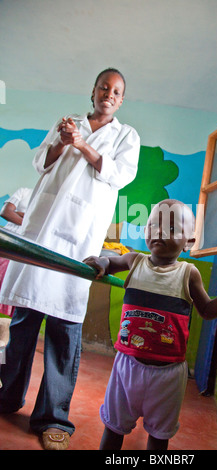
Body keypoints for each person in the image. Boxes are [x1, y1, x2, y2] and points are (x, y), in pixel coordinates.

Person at [0, 68, 140, 450]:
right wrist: (63, 142)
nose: (108, 94)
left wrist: (81, 145)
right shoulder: (68, 123)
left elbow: (119, 175)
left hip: (79, 239)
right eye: (103, 87)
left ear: (121, 100)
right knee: (25, 322)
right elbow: (41, 163)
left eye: (116, 91)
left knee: (64, 330)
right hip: (42, 231)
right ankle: (7, 398)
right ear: (92, 90)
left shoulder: (126, 136)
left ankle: (52, 418)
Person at [84, 199, 217, 450]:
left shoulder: (188, 273)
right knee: (114, 427)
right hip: (127, 366)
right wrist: (101, 262)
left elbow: (206, 310)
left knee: (159, 435)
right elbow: (111, 263)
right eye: (153, 225)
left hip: (169, 374)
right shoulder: (134, 261)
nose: (160, 232)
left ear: (189, 241)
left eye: (172, 228)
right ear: (145, 232)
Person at [0, 187, 33, 317]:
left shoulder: (50, 202)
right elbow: (6, 212)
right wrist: (29, 222)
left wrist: (18, 213)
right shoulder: (24, 191)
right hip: (6, 244)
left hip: (24, 252)